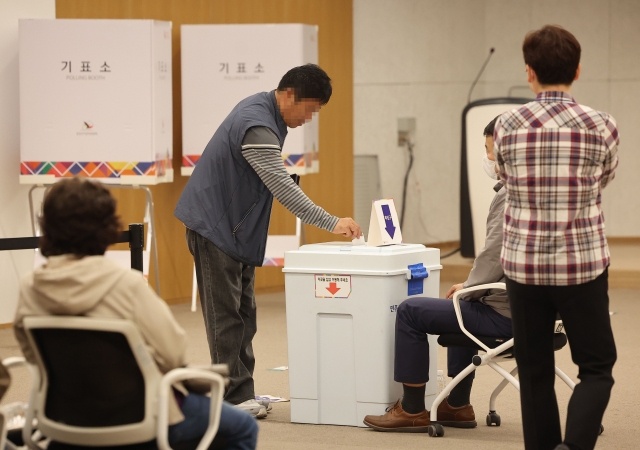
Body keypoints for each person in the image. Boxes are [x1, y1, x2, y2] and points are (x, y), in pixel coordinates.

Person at [13, 178, 258, 450]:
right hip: (143, 419)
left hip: (65, 419)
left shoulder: (30, 287)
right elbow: (173, 352)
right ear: (107, 228)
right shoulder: (125, 284)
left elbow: (31, 354)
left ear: (47, 226)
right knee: (243, 427)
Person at [174, 64, 362, 417]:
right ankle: (230, 399)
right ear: (289, 95)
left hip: (236, 230)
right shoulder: (257, 123)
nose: (310, 117)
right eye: (309, 108)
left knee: (245, 314)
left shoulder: (266, 112)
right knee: (226, 317)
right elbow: (282, 187)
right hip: (215, 227)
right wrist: (331, 221)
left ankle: (242, 392)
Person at [493, 25, 619, 450]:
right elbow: (604, 179)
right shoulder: (602, 124)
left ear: (529, 73)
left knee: (533, 371)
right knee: (597, 366)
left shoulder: (507, 124)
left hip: (523, 265)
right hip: (581, 264)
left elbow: (505, 178)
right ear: (578, 70)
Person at [363, 116, 512, 432]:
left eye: (490, 150)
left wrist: (470, 287)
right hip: (545, 317)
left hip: (509, 316)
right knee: (463, 305)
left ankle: (413, 409)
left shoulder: (511, 195)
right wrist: (471, 290)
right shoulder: (546, 193)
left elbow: (494, 254)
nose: (488, 158)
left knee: (412, 310)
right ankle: (456, 406)